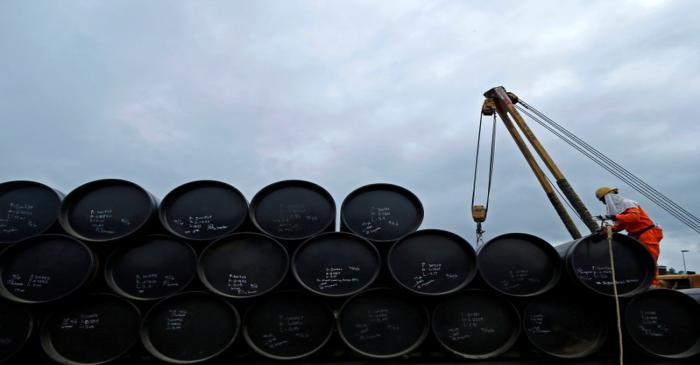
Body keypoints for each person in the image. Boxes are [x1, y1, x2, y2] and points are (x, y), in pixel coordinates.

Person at [595, 186, 663, 267]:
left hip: (647, 234)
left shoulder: (627, 203)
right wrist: (611, 229)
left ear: (609, 197)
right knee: (637, 262)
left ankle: (652, 279)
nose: (604, 203)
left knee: (649, 262)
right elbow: (624, 223)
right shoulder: (620, 208)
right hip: (636, 235)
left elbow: (634, 218)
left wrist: (615, 217)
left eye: (603, 200)